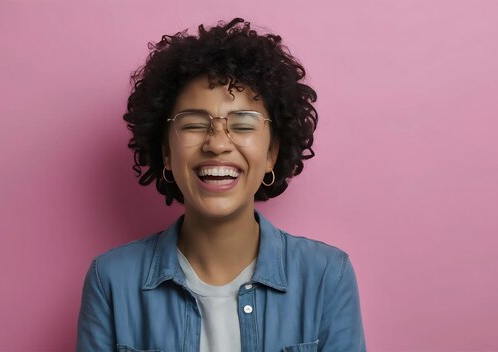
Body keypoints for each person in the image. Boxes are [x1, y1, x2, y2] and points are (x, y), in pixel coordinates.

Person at [77, 18, 366, 352]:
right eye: (194, 124)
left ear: (272, 153)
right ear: (166, 153)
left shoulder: (327, 276)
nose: (217, 143)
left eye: (243, 125)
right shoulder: (110, 281)